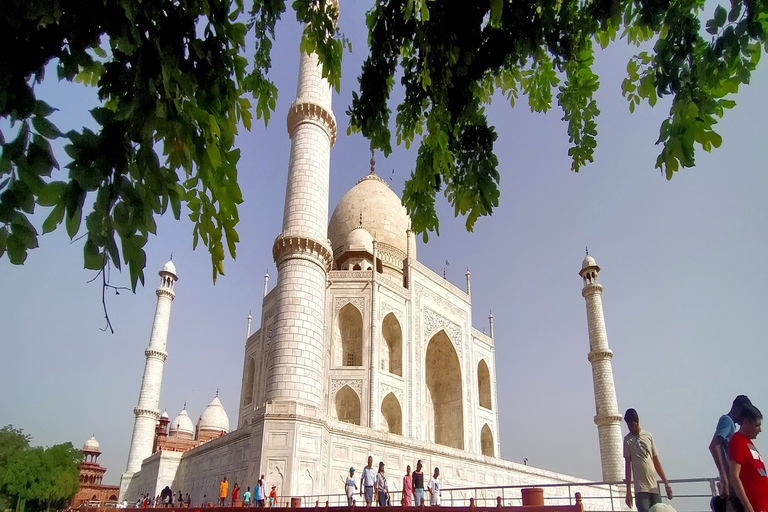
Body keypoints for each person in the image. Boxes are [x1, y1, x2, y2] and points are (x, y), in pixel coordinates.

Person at [623, 408, 673, 512]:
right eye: (628, 425)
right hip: (641, 490)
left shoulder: (648, 436)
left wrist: (666, 483)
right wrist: (628, 492)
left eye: (631, 425)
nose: (630, 428)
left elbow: (656, 461)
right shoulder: (627, 440)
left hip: (653, 487)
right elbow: (628, 467)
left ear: (636, 422)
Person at [711, 396, 752, 511]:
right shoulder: (727, 421)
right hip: (730, 476)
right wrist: (724, 475)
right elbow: (715, 445)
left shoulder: (730, 424)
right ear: (738, 408)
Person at [729, 404, 768, 512]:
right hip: (756, 507)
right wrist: (747, 505)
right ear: (746, 422)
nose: (759, 430)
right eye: (757, 425)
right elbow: (734, 475)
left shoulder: (748, 444)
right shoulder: (737, 441)